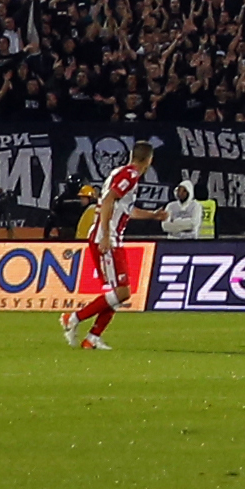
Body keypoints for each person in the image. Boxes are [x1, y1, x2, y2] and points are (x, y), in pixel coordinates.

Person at [66, 149, 147, 353]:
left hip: (111, 238)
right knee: (122, 292)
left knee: (118, 293)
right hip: (107, 238)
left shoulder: (120, 173)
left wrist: (154, 216)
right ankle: (74, 318)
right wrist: (104, 235)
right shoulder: (130, 175)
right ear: (149, 159)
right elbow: (109, 200)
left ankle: (92, 339)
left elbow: (125, 209)